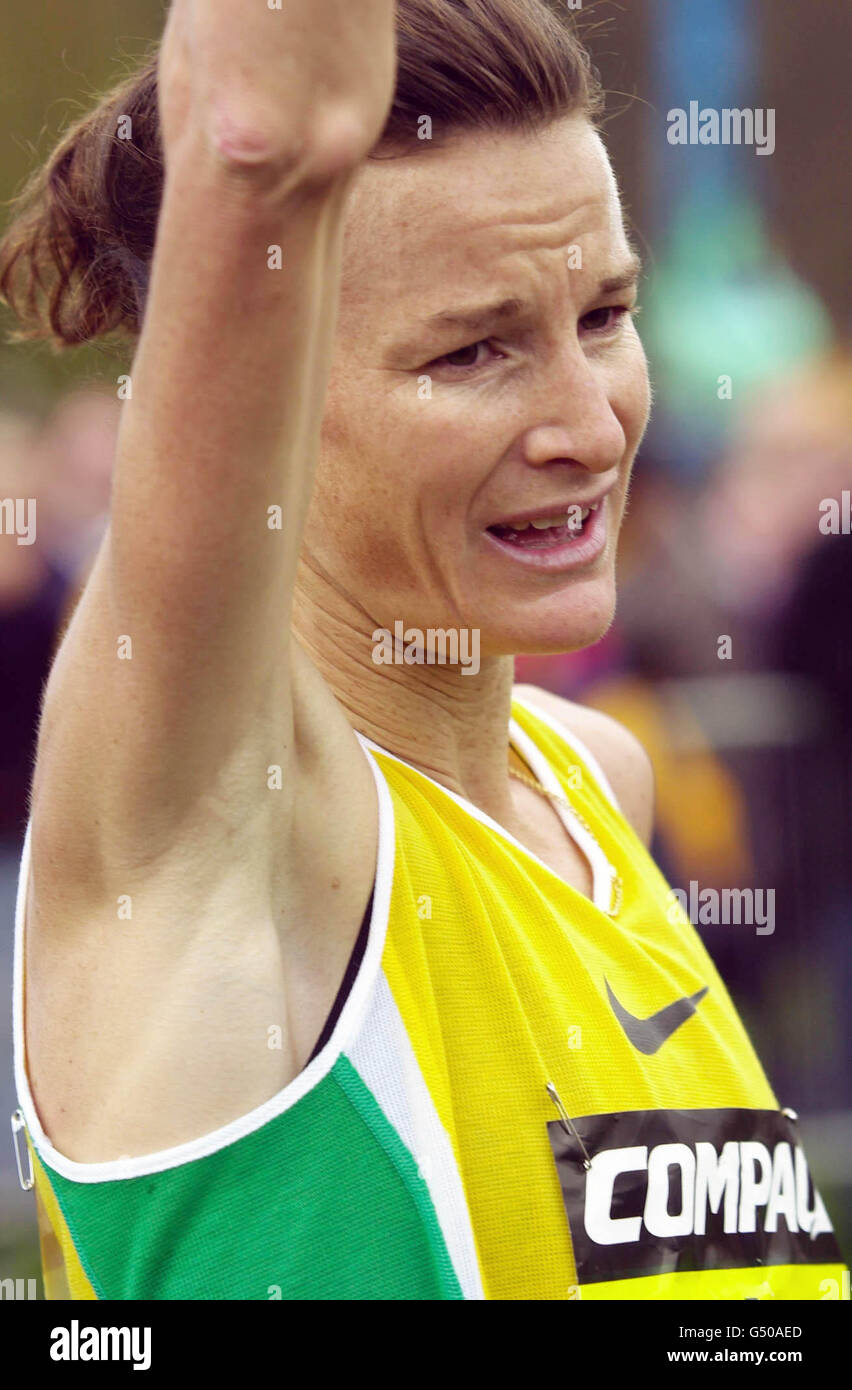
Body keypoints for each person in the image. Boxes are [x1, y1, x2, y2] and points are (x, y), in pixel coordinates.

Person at [2, 0, 847, 1301]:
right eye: (476, 350)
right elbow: (258, 141)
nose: (589, 422)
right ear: (279, 406)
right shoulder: (226, 839)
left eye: (607, 315)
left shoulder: (592, 780)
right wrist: (264, 160)